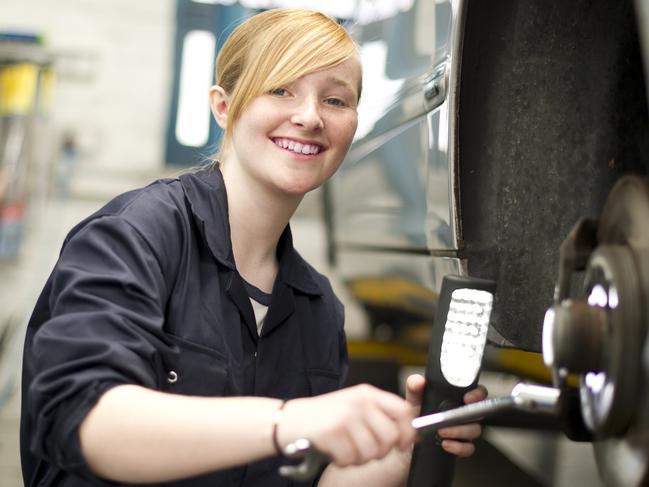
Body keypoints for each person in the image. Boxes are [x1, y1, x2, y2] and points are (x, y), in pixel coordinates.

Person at [20, 8, 486, 487]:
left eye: (335, 100)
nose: (309, 117)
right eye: (281, 89)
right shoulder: (137, 236)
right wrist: (289, 421)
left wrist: (400, 445)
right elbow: (86, 421)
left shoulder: (317, 307)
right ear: (223, 106)